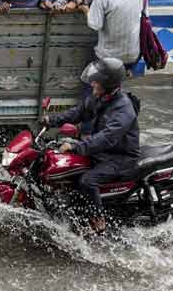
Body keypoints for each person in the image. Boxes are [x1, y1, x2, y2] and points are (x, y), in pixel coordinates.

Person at [41, 57, 140, 233]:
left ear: (107, 84)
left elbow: (106, 138)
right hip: (102, 152)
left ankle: (97, 219)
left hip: (120, 157)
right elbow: (78, 112)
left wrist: (76, 146)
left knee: (87, 180)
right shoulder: (100, 97)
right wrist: (52, 120)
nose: (93, 83)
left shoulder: (123, 109)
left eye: (97, 80)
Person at [81, 0, 146, 71]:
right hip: (133, 56)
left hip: (108, 57)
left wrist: (85, 9)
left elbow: (94, 25)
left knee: (87, 73)